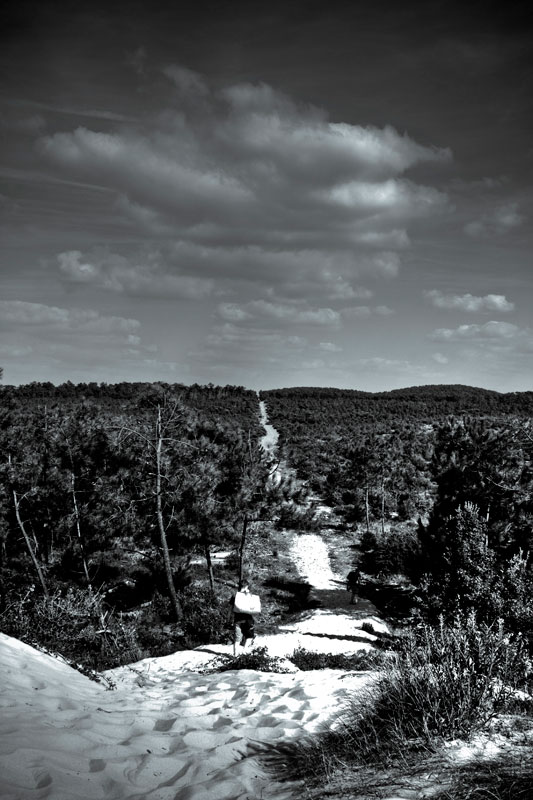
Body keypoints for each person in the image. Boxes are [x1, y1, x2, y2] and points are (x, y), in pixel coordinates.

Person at [229, 583, 256, 653]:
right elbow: (254, 607)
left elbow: (230, 609)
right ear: (246, 587)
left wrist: (229, 619)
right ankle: (244, 650)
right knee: (249, 636)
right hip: (248, 620)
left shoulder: (235, 596)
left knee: (237, 639)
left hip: (237, 620)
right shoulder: (249, 595)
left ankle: (235, 655)